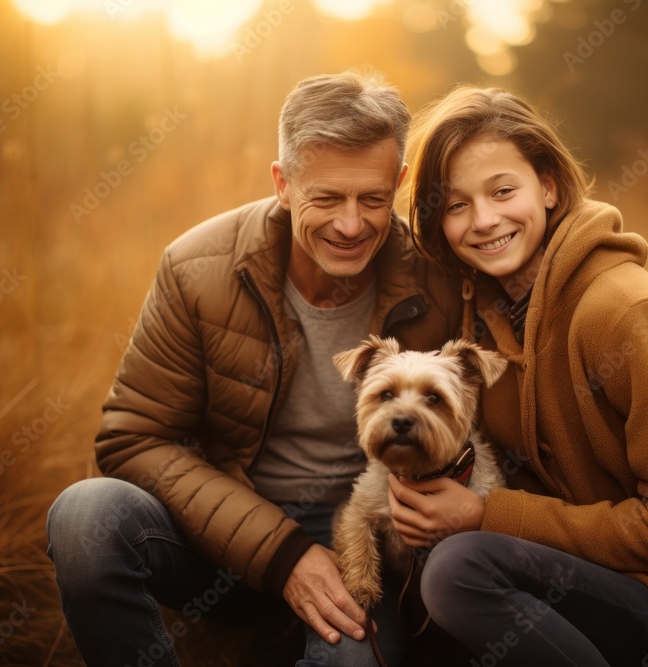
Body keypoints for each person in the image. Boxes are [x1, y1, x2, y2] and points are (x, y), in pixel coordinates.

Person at [45, 70, 461, 667]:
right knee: (87, 517)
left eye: (372, 198)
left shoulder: (440, 275)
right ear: (283, 183)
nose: (350, 225)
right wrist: (282, 554)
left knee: (351, 662)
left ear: (398, 183)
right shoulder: (197, 268)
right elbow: (133, 438)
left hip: (369, 539)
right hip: (221, 528)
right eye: (325, 198)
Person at [394, 86, 648, 666]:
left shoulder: (632, 314)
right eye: (455, 205)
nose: (484, 220)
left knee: (460, 569)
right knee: (430, 570)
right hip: (586, 580)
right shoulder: (487, 319)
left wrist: (484, 515)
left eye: (504, 190)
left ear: (548, 185)